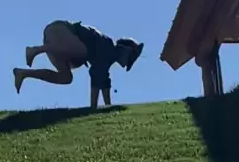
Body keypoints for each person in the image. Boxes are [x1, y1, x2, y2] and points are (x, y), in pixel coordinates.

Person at [13, 20, 143, 109]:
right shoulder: (107, 46)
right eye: (130, 58)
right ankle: (36, 50)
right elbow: (96, 75)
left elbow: (103, 80)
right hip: (59, 31)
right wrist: (93, 108)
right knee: (82, 51)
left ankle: (23, 73)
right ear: (125, 49)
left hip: (57, 43)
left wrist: (107, 106)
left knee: (66, 78)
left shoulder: (107, 59)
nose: (127, 64)